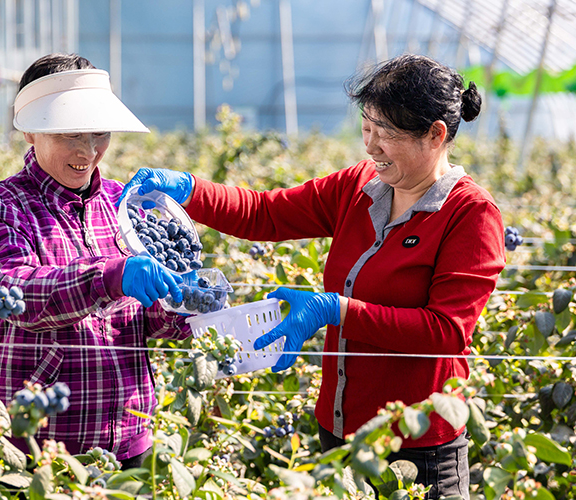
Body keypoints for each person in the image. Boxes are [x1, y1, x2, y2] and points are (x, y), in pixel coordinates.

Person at [120, 54, 506, 498]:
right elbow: (266, 214)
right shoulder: (359, 188)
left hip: (416, 453)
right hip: (337, 436)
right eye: (367, 127)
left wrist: (334, 309)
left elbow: (446, 331)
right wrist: (191, 189)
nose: (371, 146)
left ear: (435, 135)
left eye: (387, 134)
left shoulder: (470, 214)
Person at [0, 53, 190, 468]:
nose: (88, 151)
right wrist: (110, 277)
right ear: (32, 131)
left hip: (127, 438)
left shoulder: (121, 203)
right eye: (71, 135)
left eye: (99, 134)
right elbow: (17, 295)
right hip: (37, 446)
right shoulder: (0, 207)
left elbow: (147, 321)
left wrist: (183, 304)